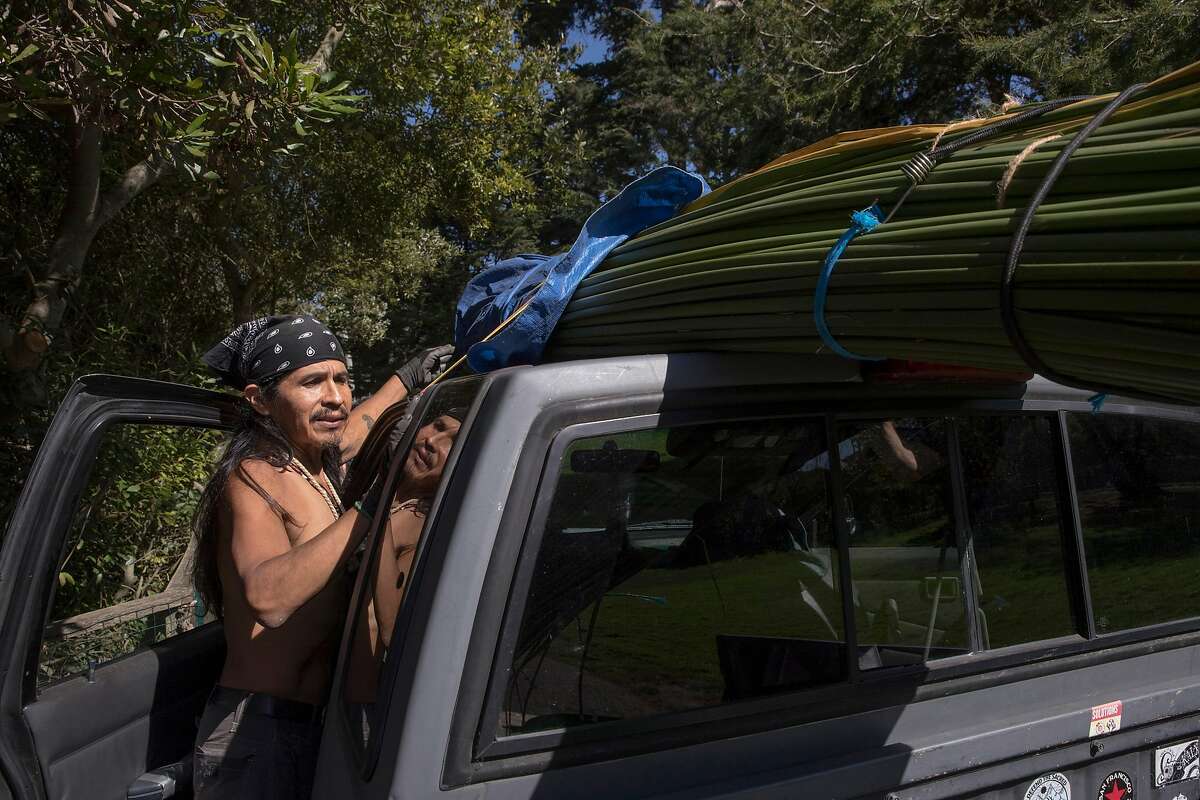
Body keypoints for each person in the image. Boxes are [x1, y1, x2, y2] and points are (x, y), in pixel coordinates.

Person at [189, 314, 452, 800]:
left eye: (342, 379)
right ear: (260, 400)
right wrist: (374, 503)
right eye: (312, 382)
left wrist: (410, 376)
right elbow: (267, 598)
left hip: (316, 725)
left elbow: (356, 425)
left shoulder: (318, 464)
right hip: (256, 734)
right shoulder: (255, 475)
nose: (334, 397)